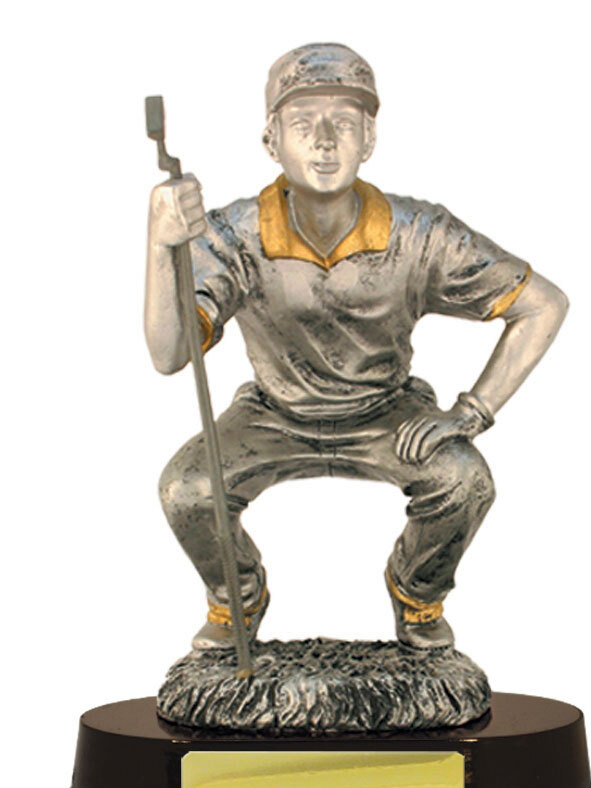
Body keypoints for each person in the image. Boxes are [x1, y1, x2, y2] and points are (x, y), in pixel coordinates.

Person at [144, 43, 568, 652]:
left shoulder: (419, 234)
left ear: (369, 138)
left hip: (385, 412)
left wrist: (470, 414)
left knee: (464, 479)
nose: (324, 141)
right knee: (187, 489)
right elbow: (169, 354)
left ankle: (418, 596)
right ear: (270, 140)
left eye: (343, 122)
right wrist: (161, 247)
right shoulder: (233, 236)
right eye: (302, 123)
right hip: (273, 414)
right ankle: (236, 598)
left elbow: (543, 305)